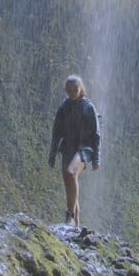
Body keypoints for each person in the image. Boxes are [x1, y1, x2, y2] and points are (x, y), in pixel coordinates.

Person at [48, 74, 100, 228]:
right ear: (65, 90)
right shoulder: (63, 107)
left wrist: (97, 158)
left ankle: (69, 215)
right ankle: (76, 226)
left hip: (85, 149)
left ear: (81, 89)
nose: (72, 93)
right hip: (68, 148)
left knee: (71, 173)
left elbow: (97, 134)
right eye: (69, 90)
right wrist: (52, 154)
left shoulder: (88, 107)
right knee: (70, 184)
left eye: (75, 90)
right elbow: (56, 132)